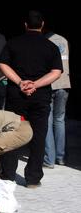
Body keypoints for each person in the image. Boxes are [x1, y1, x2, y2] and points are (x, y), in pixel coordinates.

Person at [0, 10, 62, 188]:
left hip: (16, 96)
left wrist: (20, 82)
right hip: (40, 98)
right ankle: (33, 179)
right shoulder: (51, 47)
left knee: (11, 134)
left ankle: (8, 175)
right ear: (42, 25)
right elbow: (56, 72)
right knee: (39, 136)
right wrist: (36, 84)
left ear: (25, 25)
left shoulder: (13, 43)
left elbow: (2, 64)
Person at [43, 31, 71, 168]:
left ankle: (49, 159)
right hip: (64, 84)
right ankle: (60, 157)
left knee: (47, 120)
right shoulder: (64, 40)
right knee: (60, 120)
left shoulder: (44, 41)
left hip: (49, 84)